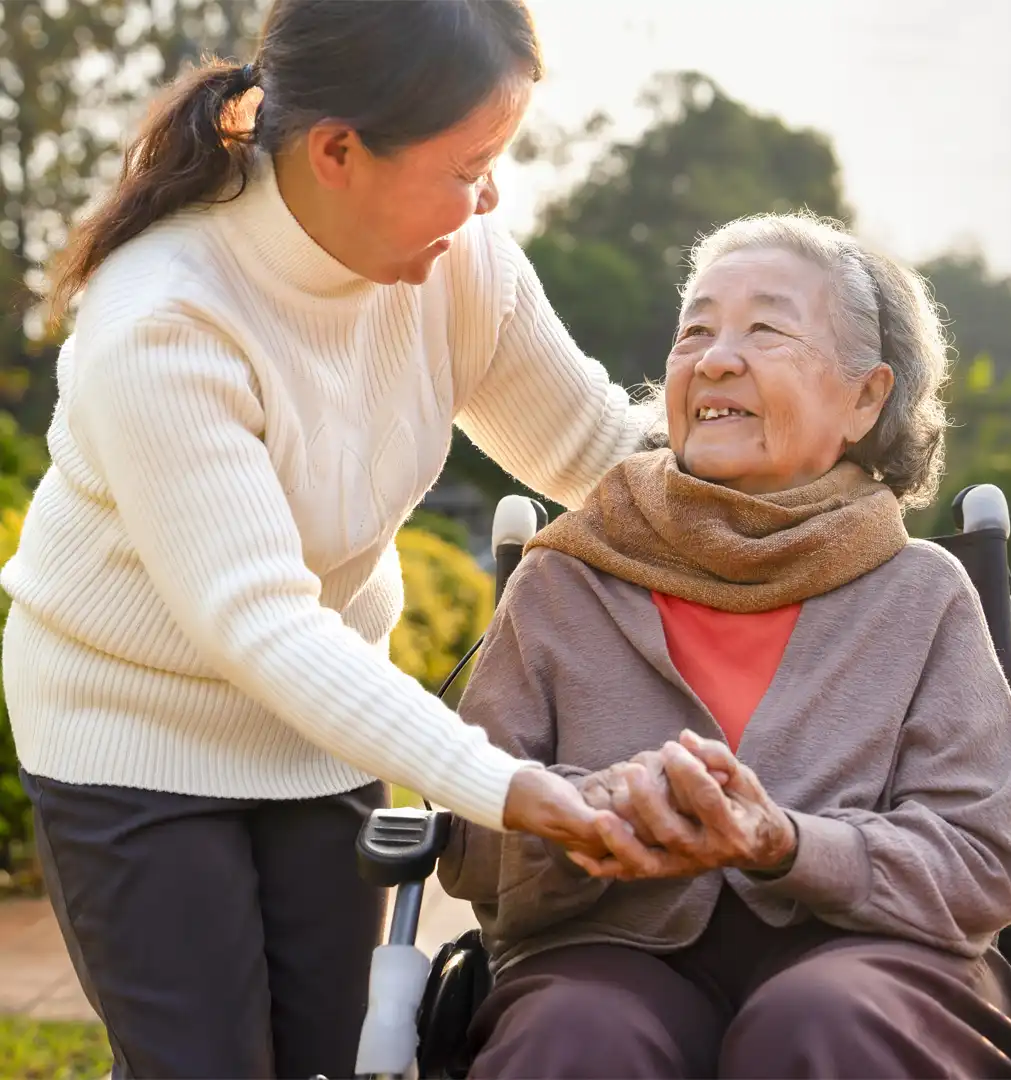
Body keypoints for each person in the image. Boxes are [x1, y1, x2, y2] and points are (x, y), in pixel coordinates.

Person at [0, 2, 647, 1077]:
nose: (490, 199)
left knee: (325, 1059)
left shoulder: (462, 261)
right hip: (129, 732)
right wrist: (503, 786)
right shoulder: (164, 317)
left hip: (318, 738)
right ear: (337, 149)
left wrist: (812, 473)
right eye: (469, 164)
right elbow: (259, 622)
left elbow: (598, 453)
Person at [439, 212, 1011, 1079]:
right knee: (575, 1037)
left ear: (866, 397)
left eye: (765, 328)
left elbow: (984, 863)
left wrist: (791, 845)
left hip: (878, 968)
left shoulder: (923, 596)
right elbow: (468, 835)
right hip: (602, 955)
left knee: (821, 1019)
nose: (715, 357)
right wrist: (588, 810)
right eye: (696, 330)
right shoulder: (567, 578)